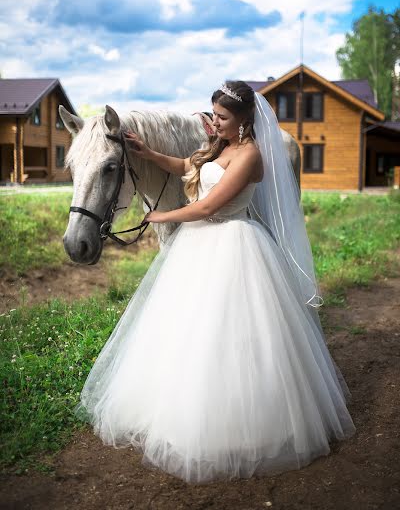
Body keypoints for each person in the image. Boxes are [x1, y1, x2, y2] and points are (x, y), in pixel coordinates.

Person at [73, 81, 356, 484]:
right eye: (215, 115)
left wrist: (162, 217)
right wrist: (148, 152)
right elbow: (187, 168)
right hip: (200, 248)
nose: (214, 123)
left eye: (222, 118)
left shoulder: (251, 157)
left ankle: (242, 422)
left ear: (244, 121)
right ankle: (179, 408)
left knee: (234, 333)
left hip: (233, 242)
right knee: (191, 329)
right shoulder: (221, 148)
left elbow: (208, 205)